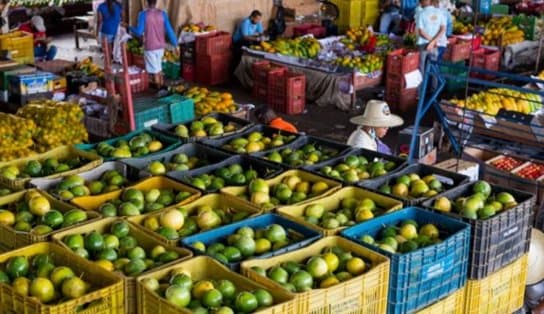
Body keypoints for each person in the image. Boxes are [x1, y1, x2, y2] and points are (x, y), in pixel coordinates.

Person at [130, 0, 178, 90]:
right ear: (156, 2)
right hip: (161, 47)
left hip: (150, 47)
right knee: (159, 69)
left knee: (155, 71)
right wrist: (175, 44)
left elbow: (139, 32)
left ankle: (159, 90)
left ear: (146, 2)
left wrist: (129, 27)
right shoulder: (163, 14)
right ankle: (162, 87)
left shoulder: (143, 14)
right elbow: (169, 30)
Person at [416, 0, 446, 73]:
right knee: (433, 67)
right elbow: (443, 29)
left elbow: (421, 32)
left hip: (423, 44)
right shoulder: (440, 12)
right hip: (434, 45)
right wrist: (433, 42)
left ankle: (422, 84)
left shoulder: (421, 13)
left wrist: (431, 41)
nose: (420, 2)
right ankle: (434, 85)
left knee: (421, 67)